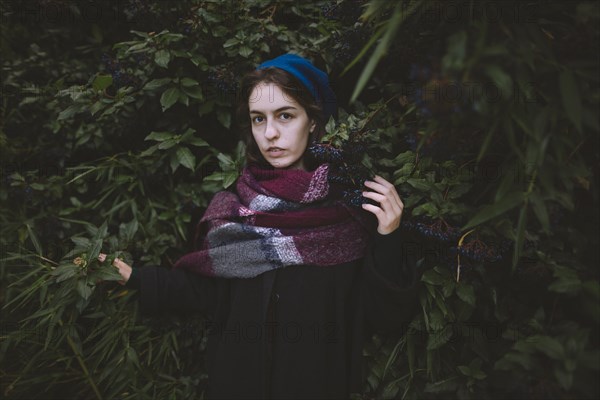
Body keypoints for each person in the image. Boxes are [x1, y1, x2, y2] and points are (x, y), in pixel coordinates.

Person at [99, 53, 420, 399]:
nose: (269, 133)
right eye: (258, 119)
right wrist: (136, 279)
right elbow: (208, 293)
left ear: (313, 121)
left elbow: (381, 319)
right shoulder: (234, 206)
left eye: (285, 116)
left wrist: (388, 236)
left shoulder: (346, 211)